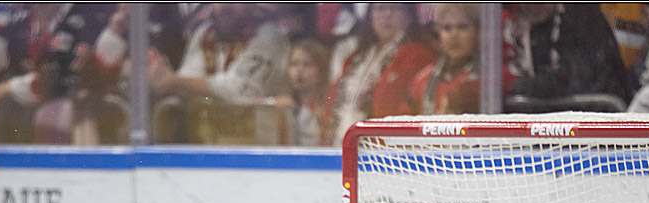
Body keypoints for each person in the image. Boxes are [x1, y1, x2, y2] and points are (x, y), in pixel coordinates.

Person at [0, 2, 122, 144]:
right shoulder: (17, 13)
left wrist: (12, 86)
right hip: (27, 99)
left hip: (65, 96)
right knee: (7, 105)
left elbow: (64, 72)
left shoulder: (83, 12)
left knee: (61, 107)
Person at [319, 3, 436, 147]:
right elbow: (332, 105)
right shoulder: (355, 57)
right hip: (339, 148)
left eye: (395, 8)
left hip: (383, 154)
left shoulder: (418, 56)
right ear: (370, 16)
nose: (387, 14)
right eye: (380, 8)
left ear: (408, 16)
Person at [147, 3, 290, 106]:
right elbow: (190, 76)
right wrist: (163, 79)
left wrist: (174, 80)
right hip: (209, 136)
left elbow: (241, 89)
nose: (226, 5)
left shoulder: (269, 36)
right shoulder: (204, 33)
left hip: (258, 140)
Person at [503, 3, 632, 109]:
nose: (528, 5)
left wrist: (517, 86)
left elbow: (572, 78)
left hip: (595, 122)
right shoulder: (530, 24)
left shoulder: (582, 18)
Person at [407, 3, 481, 115]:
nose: (453, 35)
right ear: (439, 34)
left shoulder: (490, 80)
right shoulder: (422, 80)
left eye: (462, 27)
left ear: (478, 33)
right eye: (447, 28)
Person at [273, 39, 330, 146]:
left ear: (321, 70)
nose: (299, 70)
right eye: (294, 64)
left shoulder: (329, 106)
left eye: (307, 65)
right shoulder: (282, 103)